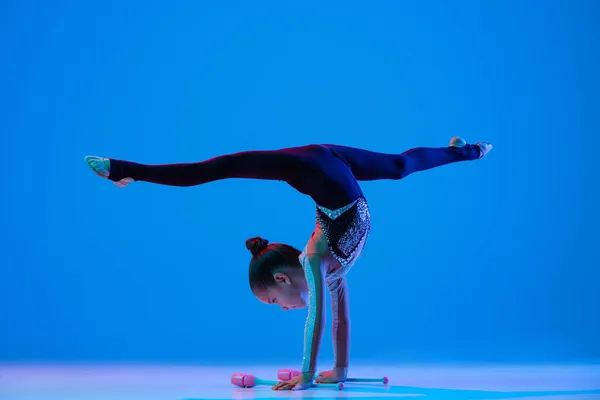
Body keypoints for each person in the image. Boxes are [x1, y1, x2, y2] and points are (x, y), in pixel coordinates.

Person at [84, 137, 492, 390]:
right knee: (400, 168)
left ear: (281, 278)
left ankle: (124, 171)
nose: (283, 308)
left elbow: (314, 319)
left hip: (310, 166)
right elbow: (339, 319)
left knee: (216, 169)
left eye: (274, 301)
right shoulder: (329, 268)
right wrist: (341, 370)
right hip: (329, 161)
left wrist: (309, 375)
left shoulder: (314, 261)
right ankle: (464, 150)